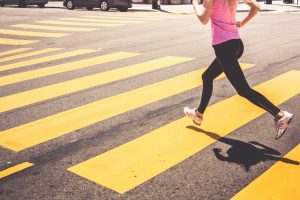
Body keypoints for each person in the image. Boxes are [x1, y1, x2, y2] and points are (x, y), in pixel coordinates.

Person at [184, 0, 294, 139]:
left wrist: (194, 3)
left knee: (243, 90)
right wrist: (242, 23)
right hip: (236, 44)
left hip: (224, 47)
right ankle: (198, 115)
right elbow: (256, 6)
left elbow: (203, 19)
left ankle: (280, 115)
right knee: (207, 76)